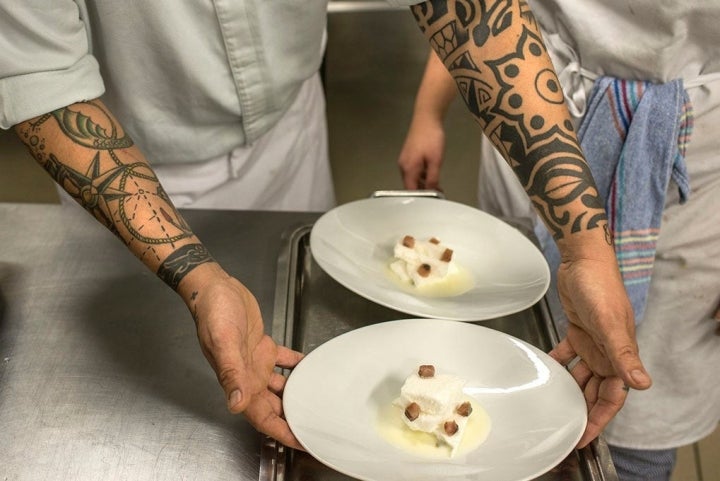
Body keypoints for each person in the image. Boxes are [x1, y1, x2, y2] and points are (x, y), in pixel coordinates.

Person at [1, 0, 649, 455]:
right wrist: (198, 278)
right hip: (123, 169)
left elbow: (471, 12)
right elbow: (41, 73)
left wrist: (584, 245)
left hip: (290, 128)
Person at [397, 1, 720, 479]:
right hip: (528, 102)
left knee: (641, 430)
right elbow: (474, 12)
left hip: (700, 177)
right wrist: (428, 108)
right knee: (493, 394)